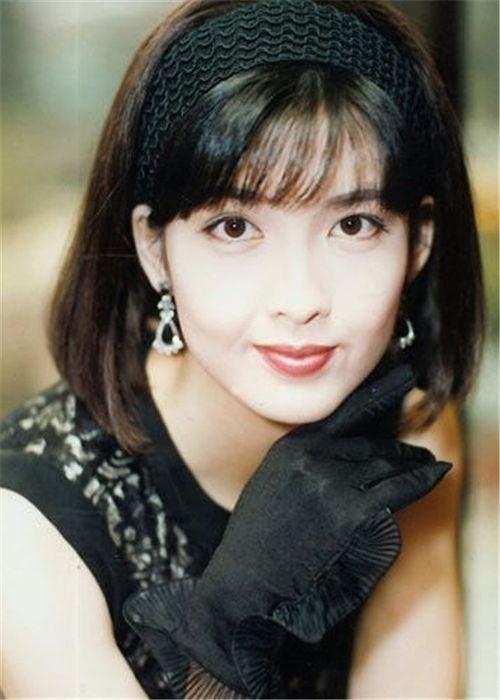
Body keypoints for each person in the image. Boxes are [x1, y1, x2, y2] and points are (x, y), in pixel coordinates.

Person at [1, 0, 485, 697]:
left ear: (419, 244)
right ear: (154, 249)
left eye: (353, 225)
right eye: (233, 228)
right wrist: (232, 621)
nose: (300, 297)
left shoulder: (413, 429)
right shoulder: (22, 527)